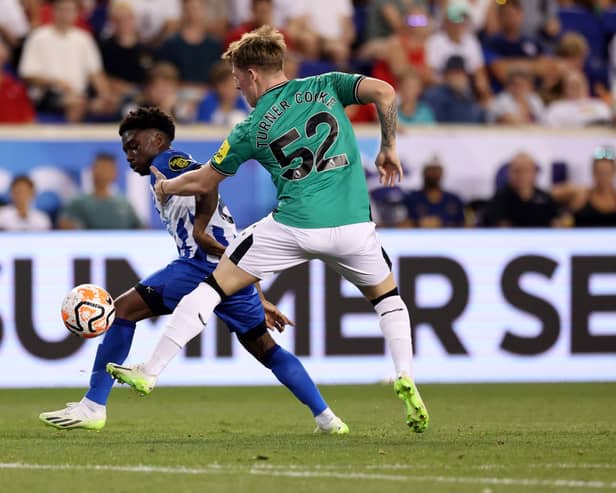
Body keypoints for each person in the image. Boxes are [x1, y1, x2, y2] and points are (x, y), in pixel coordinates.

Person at [107, 26, 429, 433]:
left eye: (238, 79)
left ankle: (150, 371)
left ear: (253, 73)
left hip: (295, 225)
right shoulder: (327, 85)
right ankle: (405, 374)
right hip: (354, 228)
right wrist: (388, 146)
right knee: (388, 300)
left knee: (211, 287)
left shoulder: (251, 127)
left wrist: (168, 186)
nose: (238, 87)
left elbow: (205, 181)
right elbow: (384, 91)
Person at [40, 107, 348, 434]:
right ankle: (328, 419)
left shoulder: (167, 161)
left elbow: (207, 183)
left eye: (135, 146)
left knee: (123, 311)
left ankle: (93, 406)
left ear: (157, 140)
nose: (129, 155)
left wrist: (199, 229)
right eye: (125, 150)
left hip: (200, 264)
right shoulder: (161, 171)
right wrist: (258, 293)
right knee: (266, 348)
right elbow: (231, 243)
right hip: (231, 270)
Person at [18, 0, 112, 122]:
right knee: (75, 105)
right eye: (61, 9)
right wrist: (54, 82)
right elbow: (27, 75)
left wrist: (104, 95)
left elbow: (95, 73)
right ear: (53, 11)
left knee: (110, 104)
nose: (64, 14)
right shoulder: (38, 37)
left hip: (79, 95)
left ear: (76, 13)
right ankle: (70, 138)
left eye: (69, 10)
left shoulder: (84, 39)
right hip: (47, 95)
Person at [57, 153, 142, 230]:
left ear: (115, 173)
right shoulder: (78, 202)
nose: (103, 173)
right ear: (92, 170)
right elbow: (64, 224)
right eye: (100, 168)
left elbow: (141, 227)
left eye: (108, 169)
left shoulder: (124, 204)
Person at [482, 152, 561, 227]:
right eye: (517, 171)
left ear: (534, 172)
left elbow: (556, 225)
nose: (522, 175)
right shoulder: (499, 200)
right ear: (509, 173)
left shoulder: (545, 198)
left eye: (526, 170)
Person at [552, 146, 616, 227]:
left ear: (613, 172)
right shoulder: (582, 195)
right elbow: (550, 195)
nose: (603, 177)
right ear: (593, 172)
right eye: (599, 172)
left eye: (607, 173)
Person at [404, 159, 465, 228]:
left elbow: (465, 225)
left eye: (436, 170)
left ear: (442, 173)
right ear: (424, 172)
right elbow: (400, 224)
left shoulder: (454, 200)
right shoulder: (411, 199)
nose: (433, 174)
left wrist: (442, 224)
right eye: (430, 170)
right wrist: (418, 223)